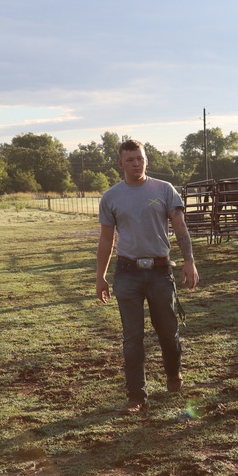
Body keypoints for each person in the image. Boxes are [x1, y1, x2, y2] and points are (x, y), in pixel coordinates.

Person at [96, 139, 200, 413]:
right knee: (133, 336)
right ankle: (136, 396)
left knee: (167, 330)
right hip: (127, 273)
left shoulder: (164, 190)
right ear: (121, 164)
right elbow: (106, 240)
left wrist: (189, 261)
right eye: (130, 160)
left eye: (140, 158)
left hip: (160, 271)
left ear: (147, 160)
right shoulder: (111, 197)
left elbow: (180, 229)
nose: (136, 163)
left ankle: (173, 373)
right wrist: (100, 276)